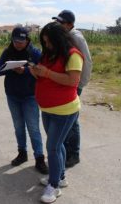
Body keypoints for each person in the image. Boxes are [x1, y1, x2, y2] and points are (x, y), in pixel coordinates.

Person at [29, 22, 83, 203]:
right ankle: (60, 176)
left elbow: (72, 81)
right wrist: (35, 72)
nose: (47, 45)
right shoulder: (49, 54)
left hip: (65, 110)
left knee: (52, 147)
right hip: (47, 108)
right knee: (57, 145)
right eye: (45, 42)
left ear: (59, 39)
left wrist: (47, 73)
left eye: (50, 41)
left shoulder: (73, 55)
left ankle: (54, 186)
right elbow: (44, 75)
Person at [0, 27, 48, 175]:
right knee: (18, 127)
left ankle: (39, 158)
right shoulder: (8, 52)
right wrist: (10, 68)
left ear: (28, 40)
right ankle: (22, 153)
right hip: (12, 95)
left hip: (30, 96)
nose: (18, 44)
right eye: (15, 41)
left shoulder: (35, 53)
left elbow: (42, 72)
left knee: (33, 128)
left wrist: (25, 70)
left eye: (21, 41)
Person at [52, 10, 93, 168]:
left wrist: (80, 83)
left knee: (72, 120)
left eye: (61, 22)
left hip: (75, 83)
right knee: (68, 119)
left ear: (69, 24)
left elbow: (86, 61)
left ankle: (73, 154)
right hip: (70, 82)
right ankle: (67, 151)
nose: (58, 24)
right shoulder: (66, 35)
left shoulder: (75, 37)